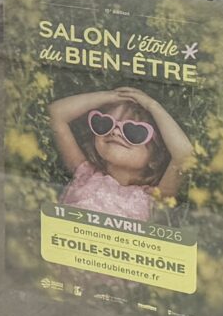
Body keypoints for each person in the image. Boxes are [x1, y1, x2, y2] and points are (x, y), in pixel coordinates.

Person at [46, 85, 195, 223]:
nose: (115, 131)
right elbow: (55, 114)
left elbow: (184, 154)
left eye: (133, 131)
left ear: (155, 158)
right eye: (105, 123)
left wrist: (152, 105)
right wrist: (110, 96)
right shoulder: (85, 173)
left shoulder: (154, 198)